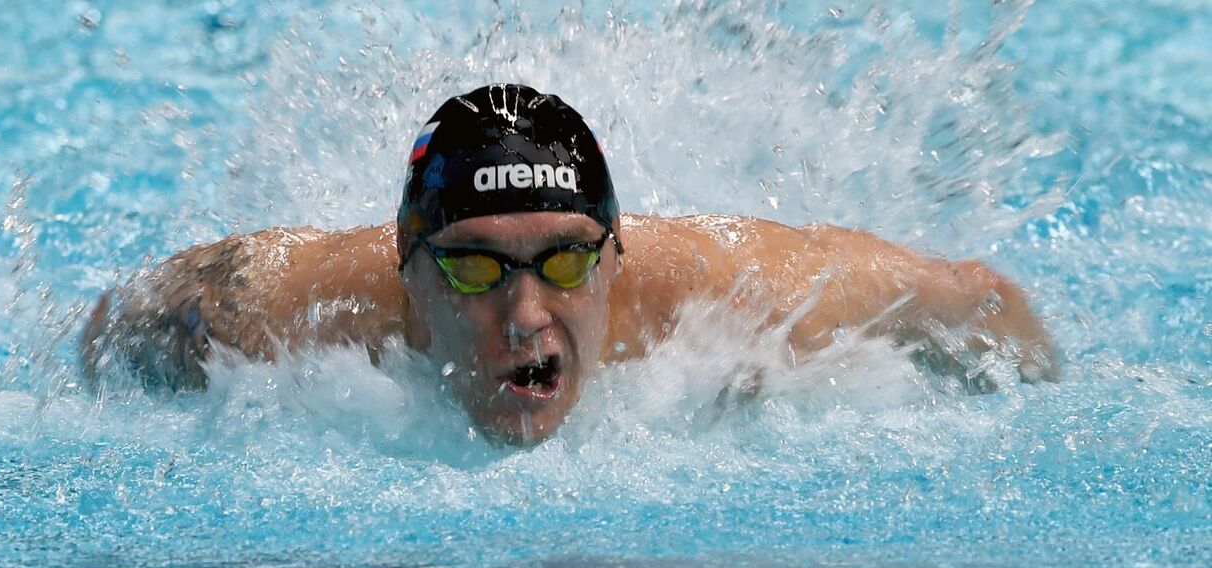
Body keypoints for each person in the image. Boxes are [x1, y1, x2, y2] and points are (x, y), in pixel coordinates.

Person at [82, 83, 1057, 445]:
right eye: (472, 268)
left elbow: (983, 300)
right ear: (405, 269)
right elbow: (117, 325)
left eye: (564, 261)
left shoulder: (723, 300)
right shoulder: (297, 314)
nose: (525, 315)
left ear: (615, 256)